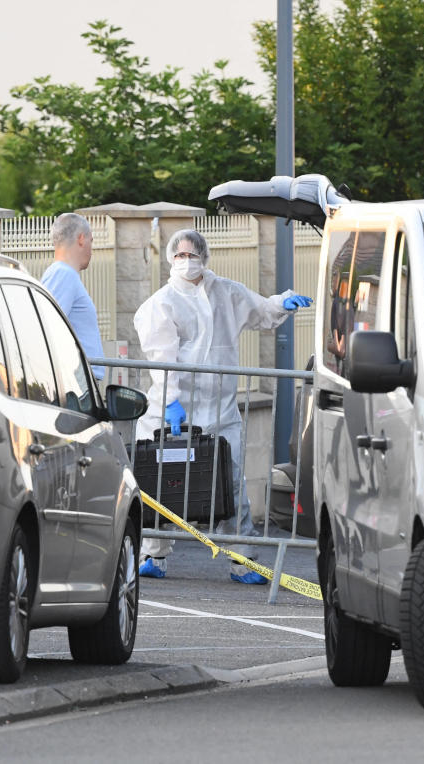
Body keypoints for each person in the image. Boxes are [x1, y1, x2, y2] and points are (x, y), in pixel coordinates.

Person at [133, 228, 312, 583]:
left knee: (231, 482)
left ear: (205, 256)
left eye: (192, 255)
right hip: (171, 412)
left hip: (220, 410)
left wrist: (282, 303)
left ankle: (242, 559)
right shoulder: (161, 304)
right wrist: (170, 401)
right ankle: (153, 554)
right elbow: (161, 358)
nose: (187, 261)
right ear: (170, 258)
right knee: (163, 484)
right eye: (180, 255)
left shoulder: (225, 292)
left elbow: (261, 309)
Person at [40, 213, 106, 382]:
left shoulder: (63, 274)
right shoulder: (63, 274)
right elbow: (46, 328)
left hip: (81, 379)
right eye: (91, 241)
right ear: (81, 239)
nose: (92, 248)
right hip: (77, 381)